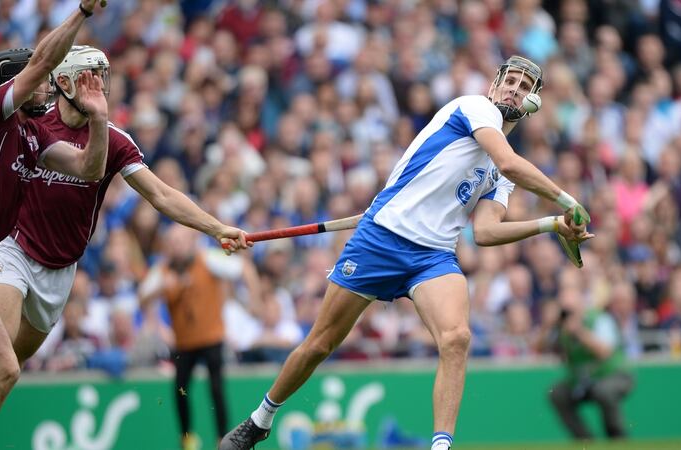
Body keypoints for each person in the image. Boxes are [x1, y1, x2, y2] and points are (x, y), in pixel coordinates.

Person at [219, 55, 593, 450]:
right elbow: (510, 161)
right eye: (510, 80)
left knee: (457, 338)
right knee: (319, 345)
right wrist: (568, 200)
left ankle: (441, 446)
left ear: (531, 103)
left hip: (433, 256)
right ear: (494, 84)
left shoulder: (501, 176)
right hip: (382, 237)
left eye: (524, 87)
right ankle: (260, 420)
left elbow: (484, 232)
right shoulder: (475, 107)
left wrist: (552, 223)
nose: (514, 89)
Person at [0, 43, 249, 450]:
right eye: (90, 77)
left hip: (62, 270)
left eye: (103, 76)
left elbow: (162, 195)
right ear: (63, 82)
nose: (100, 86)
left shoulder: (113, 138)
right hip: (10, 251)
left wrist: (215, 227)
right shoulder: (31, 118)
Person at [0, 2, 110, 449]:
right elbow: (43, 62)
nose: (49, 94)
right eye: (41, 86)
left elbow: (89, 169)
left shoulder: (32, 135)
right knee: (4, 368)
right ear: (18, 85)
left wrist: (99, 119)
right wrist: (83, 13)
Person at [139, 224, 260, 450]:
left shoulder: (208, 260)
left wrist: (255, 301)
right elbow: (143, 297)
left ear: (191, 242)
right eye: (173, 243)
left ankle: (222, 439)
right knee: (180, 390)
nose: (177, 247)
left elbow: (243, 268)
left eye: (180, 241)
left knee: (216, 389)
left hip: (211, 337)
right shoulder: (163, 271)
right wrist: (158, 319)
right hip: (184, 342)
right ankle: (187, 439)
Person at [534, 288, 634, 440]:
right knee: (557, 393)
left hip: (613, 375)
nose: (569, 315)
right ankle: (584, 441)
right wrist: (548, 325)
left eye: (572, 310)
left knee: (605, 391)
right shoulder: (561, 327)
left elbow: (605, 352)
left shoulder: (599, 319)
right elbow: (538, 349)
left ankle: (617, 438)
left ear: (582, 306)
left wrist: (580, 332)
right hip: (583, 381)